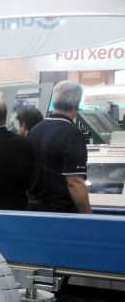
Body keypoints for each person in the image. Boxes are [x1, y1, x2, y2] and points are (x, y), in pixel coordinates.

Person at [27, 81, 92, 214]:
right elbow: (74, 181)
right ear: (77, 103)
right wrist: (88, 215)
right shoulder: (72, 133)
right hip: (60, 212)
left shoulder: (35, 130)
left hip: (32, 208)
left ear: (54, 100)